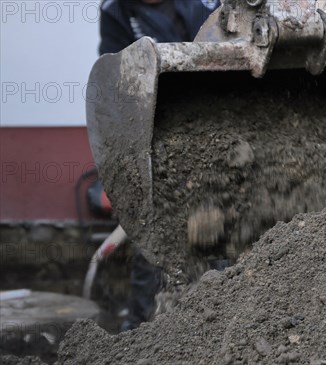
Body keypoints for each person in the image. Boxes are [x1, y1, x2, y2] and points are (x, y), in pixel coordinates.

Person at [97, 0, 220, 331]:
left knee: (223, 245)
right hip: (154, 145)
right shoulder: (117, 13)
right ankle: (141, 334)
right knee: (153, 251)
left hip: (217, 129)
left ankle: (222, 319)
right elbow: (115, 89)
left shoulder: (206, 3)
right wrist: (116, 169)